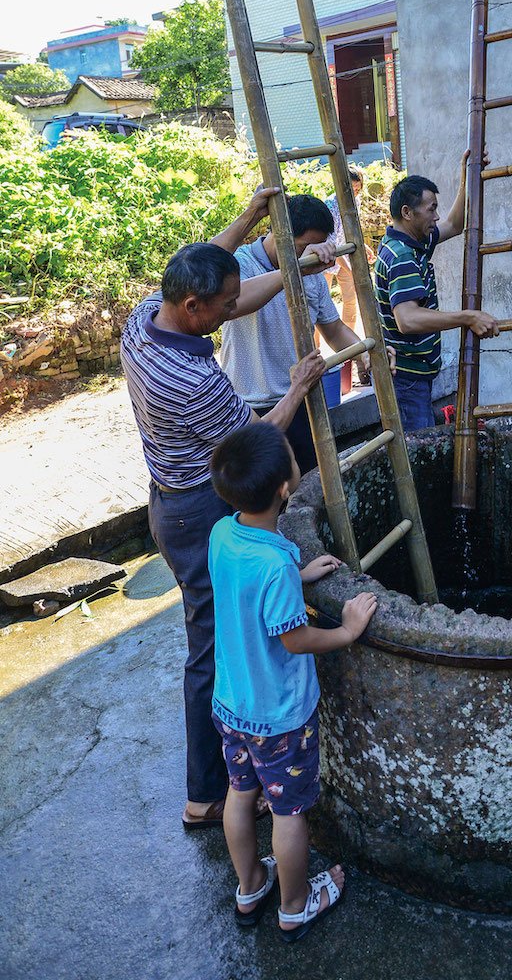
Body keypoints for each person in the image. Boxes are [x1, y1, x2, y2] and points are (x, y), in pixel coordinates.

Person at [120, 209, 337, 829]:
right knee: (212, 644)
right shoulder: (192, 379)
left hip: (171, 495)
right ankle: (206, 792)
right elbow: (253, 442)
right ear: (192, 305)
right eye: (225, 305)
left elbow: (210, 258)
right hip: (195, 507)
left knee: (225, 623)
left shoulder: (142, 322)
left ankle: (228, 769)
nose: (234, 311)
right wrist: (298, 386)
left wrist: (252, 211)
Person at [207, 421, 376, 942]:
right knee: (288, 811)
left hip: (231, 704)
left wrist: (298, 576)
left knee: (240, 796)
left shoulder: (222, 534)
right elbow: (295, 639)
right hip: (278, 718)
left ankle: (251, 885)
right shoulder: (275, 567)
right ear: (286, 488)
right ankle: (295, 904)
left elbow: (245, 587)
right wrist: (346, 631)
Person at [216, 192, 371, 475]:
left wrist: (364, 353)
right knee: (259, 497)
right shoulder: (239, 264)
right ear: (279, 231)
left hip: (301, 399)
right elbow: (227, 305)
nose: (307, 254)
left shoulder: (312, 272)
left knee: (310, 486)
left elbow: (333, 329)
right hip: (249, 406)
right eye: (301, 247)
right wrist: (295, 269)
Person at [376, 157, 498, 432]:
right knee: (418, 451)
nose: (436, 216)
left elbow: (455, 224)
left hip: (416, 373)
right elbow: (407, 319)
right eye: (431, 210)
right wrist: (468, 317)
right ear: (408, 213)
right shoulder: (402, 256)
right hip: (408, 377)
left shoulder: (410, 242)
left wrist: (467, 177)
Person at [324, 166, 374, 397]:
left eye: (357, 189)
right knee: (321, 307)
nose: (354, 193)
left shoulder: (355, 205)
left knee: (351, 302)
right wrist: (350, 267)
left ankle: (349, 348)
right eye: (350, 188)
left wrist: (362, 247)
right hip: (326, 258)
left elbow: (350, 234)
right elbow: (331, 244)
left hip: (344, 255)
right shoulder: (331, 205)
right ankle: (318, 351)